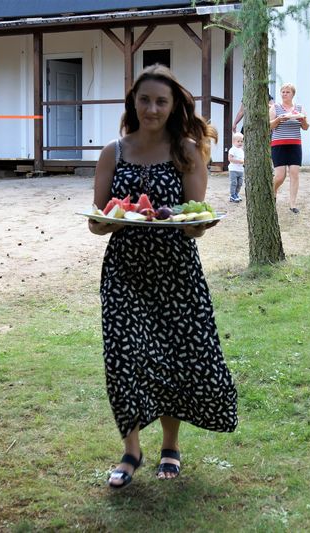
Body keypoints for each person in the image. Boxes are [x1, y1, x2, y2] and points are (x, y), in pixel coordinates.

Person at [88, 64, 238, 489]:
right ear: (133, 103)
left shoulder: (186, 151)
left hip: (176, 271)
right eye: (144, 100)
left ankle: (170, 446)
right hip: (125, 271)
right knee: (123, 357)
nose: (151, 108)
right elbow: (97, 221)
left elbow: (193, 218)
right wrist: (109, 221)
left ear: (173, 107)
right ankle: (131, 450)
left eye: (160, 101)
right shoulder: (113, 152)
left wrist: (199, 226)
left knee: (175, 357)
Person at [270, 83, 309, 214]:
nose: (284, 94)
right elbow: (269, 126)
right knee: (280, 176)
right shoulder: (275, 107)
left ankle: (293, 204)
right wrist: (278, 120)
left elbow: (305, 127)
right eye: (283, 92)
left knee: (294, 174)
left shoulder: (299, 108)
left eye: (287, 92)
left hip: (295, 144)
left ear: (293, 94)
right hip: (278, 144)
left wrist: (302, 120)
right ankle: (273, 191)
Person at [228, 132, 245, 203]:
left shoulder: (241, 150)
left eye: (241, 141)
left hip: (240, 170)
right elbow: (230, 159)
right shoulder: (232, 149)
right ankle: (232, 195)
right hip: (233, 170)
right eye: (238, 141)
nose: (240, 143)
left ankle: (236, 194)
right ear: (233, 142)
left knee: (240, 183)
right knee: (234, 183)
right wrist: (239, 161)